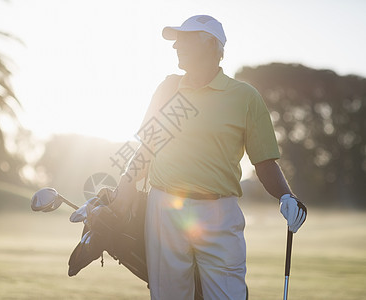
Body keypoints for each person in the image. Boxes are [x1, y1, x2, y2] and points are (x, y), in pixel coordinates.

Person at [109, 15, 307, 300]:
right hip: (165, 208)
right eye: (176, 42)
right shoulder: (167, 89)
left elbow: (263, 161)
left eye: (185, 40)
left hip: (220, 214)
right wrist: (125, 187)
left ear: (212, 45)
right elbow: (147, 149)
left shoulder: (245, 97)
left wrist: (286, 196)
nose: (176, 46)